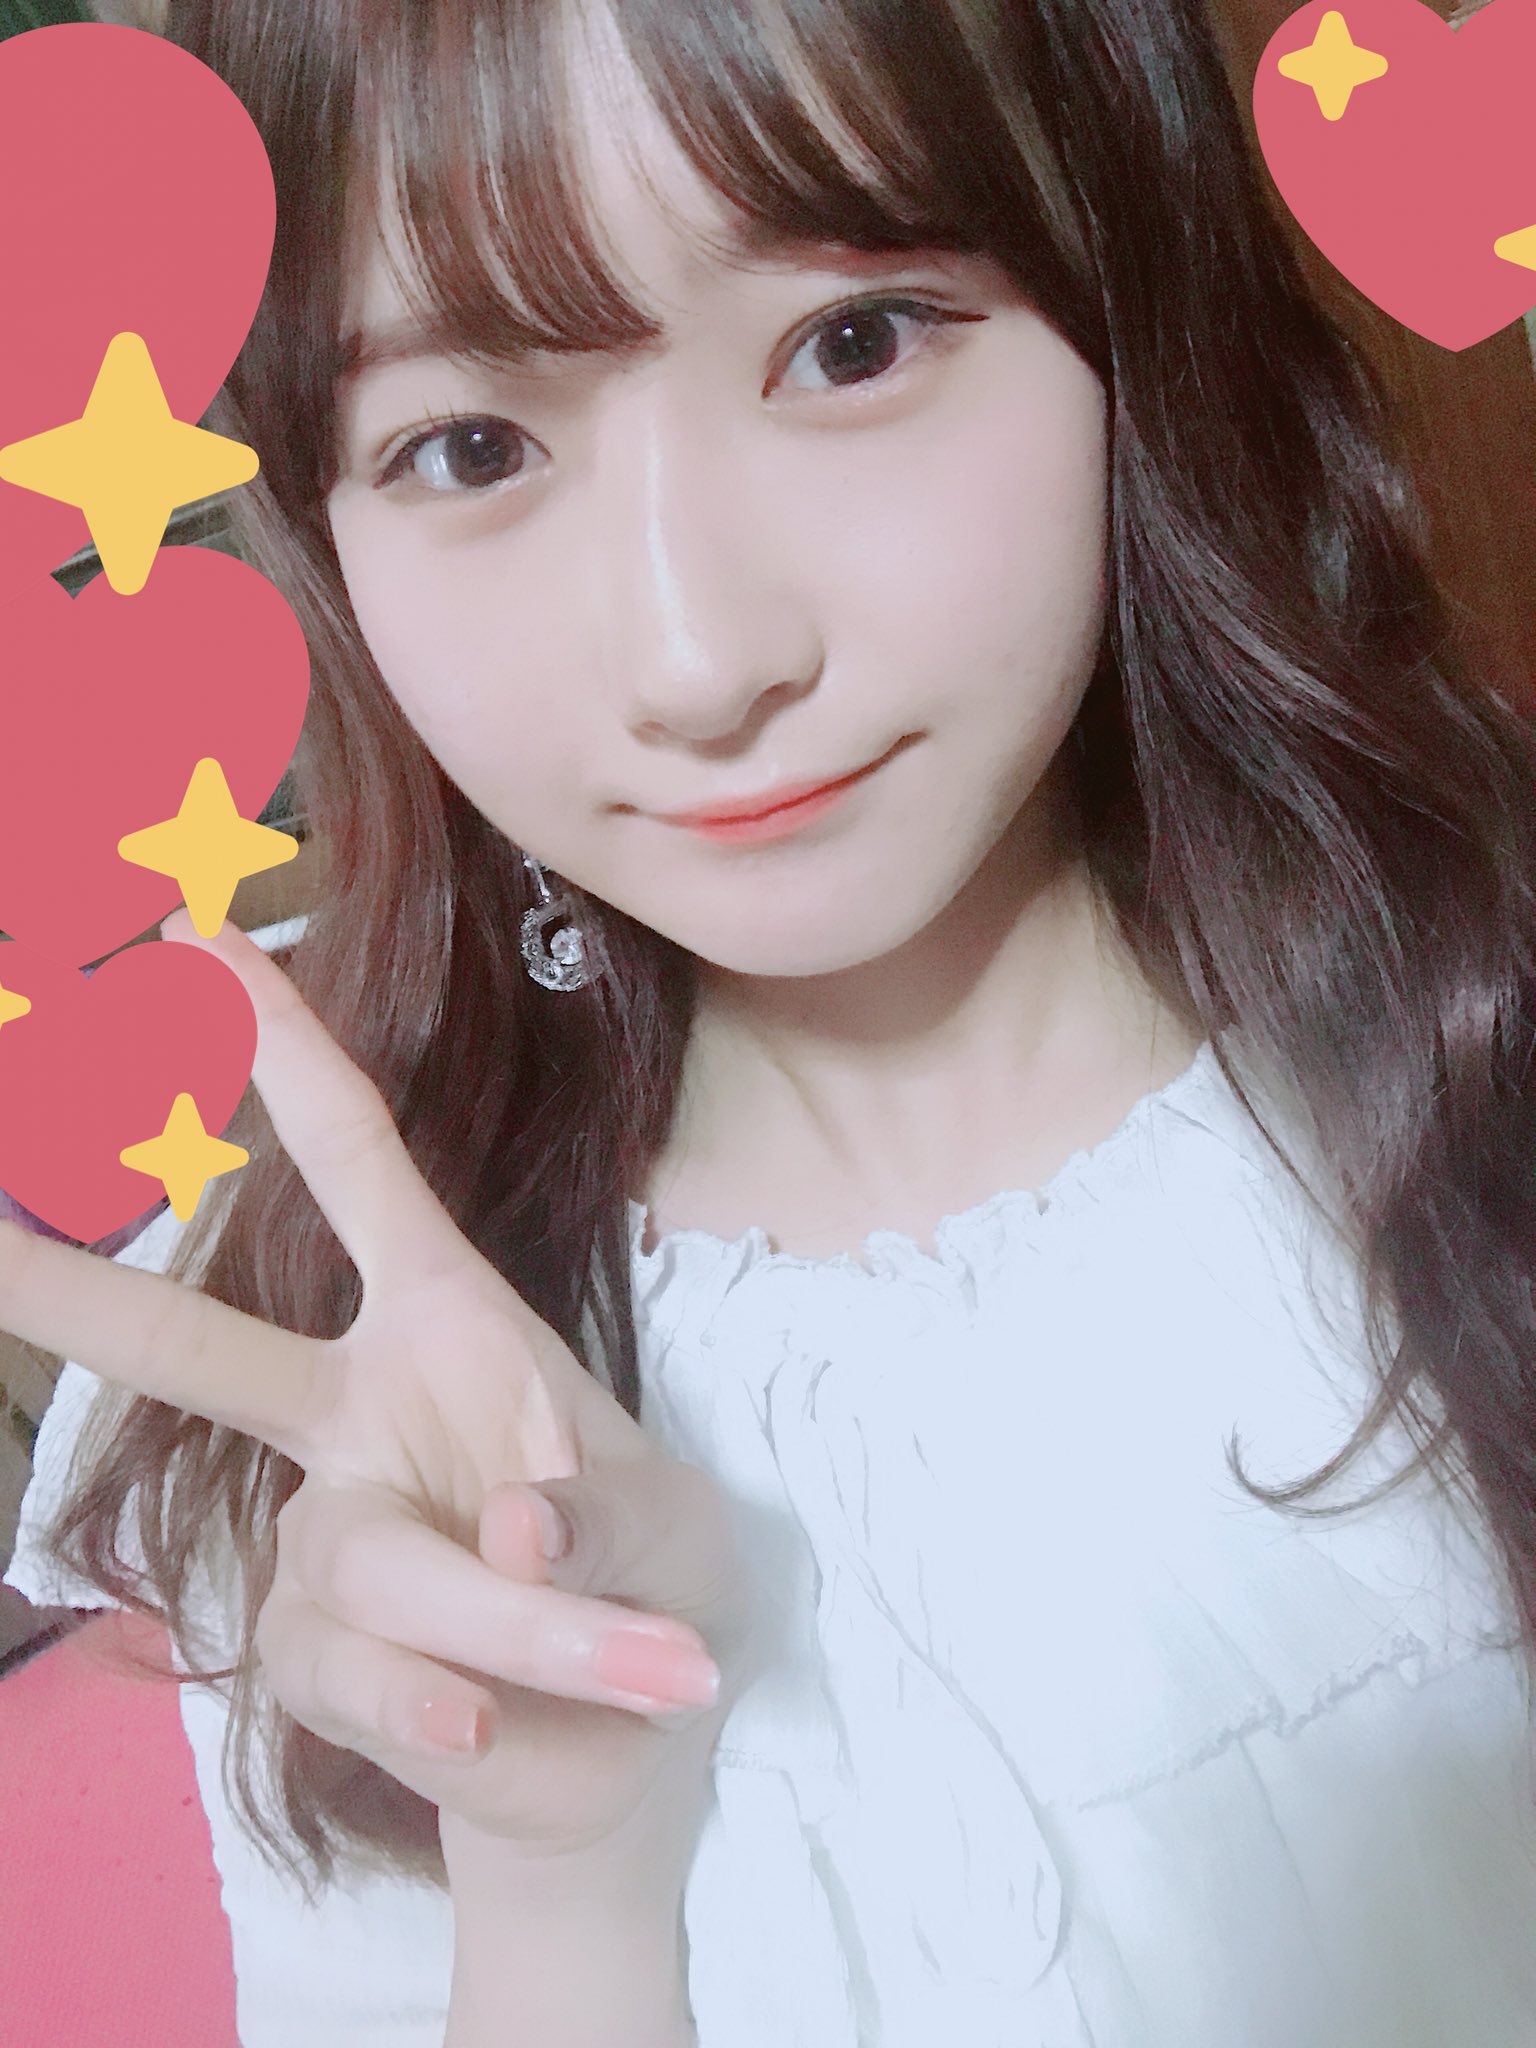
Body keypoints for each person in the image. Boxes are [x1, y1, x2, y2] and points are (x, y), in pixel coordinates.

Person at [8, 0, 1536, 2041]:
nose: (701, 660)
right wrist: (562, 1857)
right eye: (471, 448)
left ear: (1130, 290)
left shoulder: (1482, 1048)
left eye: (855, 342)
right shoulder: (343, 1362)